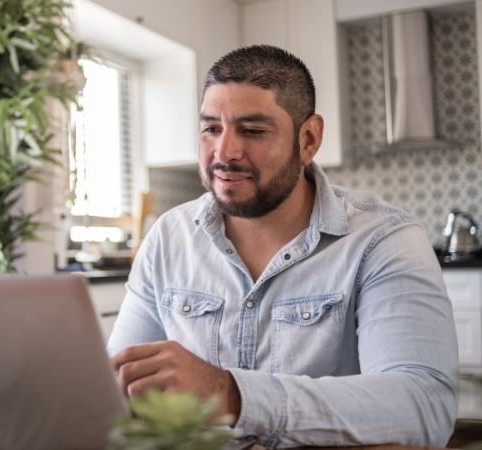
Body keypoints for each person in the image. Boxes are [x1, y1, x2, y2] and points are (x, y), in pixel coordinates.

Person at [108, 45, 458, 448]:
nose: (225, 152)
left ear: (308, 139)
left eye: (252, 130)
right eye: (211, 129)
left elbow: (422, 406)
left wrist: (229, 394)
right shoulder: (168, 238)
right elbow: (117, 385)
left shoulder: (383, 241)